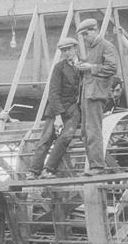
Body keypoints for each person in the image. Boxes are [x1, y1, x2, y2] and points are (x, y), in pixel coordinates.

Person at [24, 38, 83, 182]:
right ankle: (33, 171)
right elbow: (53, 93)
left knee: (65, 137)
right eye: (64, 51)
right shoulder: (59, 68)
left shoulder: (83, 65)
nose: (66, 53)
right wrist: (57, 117)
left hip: (74, 109)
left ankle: (48, 169)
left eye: (69, 49)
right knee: (46, 138)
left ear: (75, 48)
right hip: (57, 108)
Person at [72, 18, 123, 168]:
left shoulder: (107, 46)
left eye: (86, 34)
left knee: (93, 131)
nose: (85, 39)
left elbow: (112, 68)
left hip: (96, 94)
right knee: (86, 133)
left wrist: (90, 67)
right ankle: (94, 166)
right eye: (83, 36)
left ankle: (97, 167)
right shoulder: (92, 48)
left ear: (95, 30)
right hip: (87, 94)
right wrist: (83, 67)